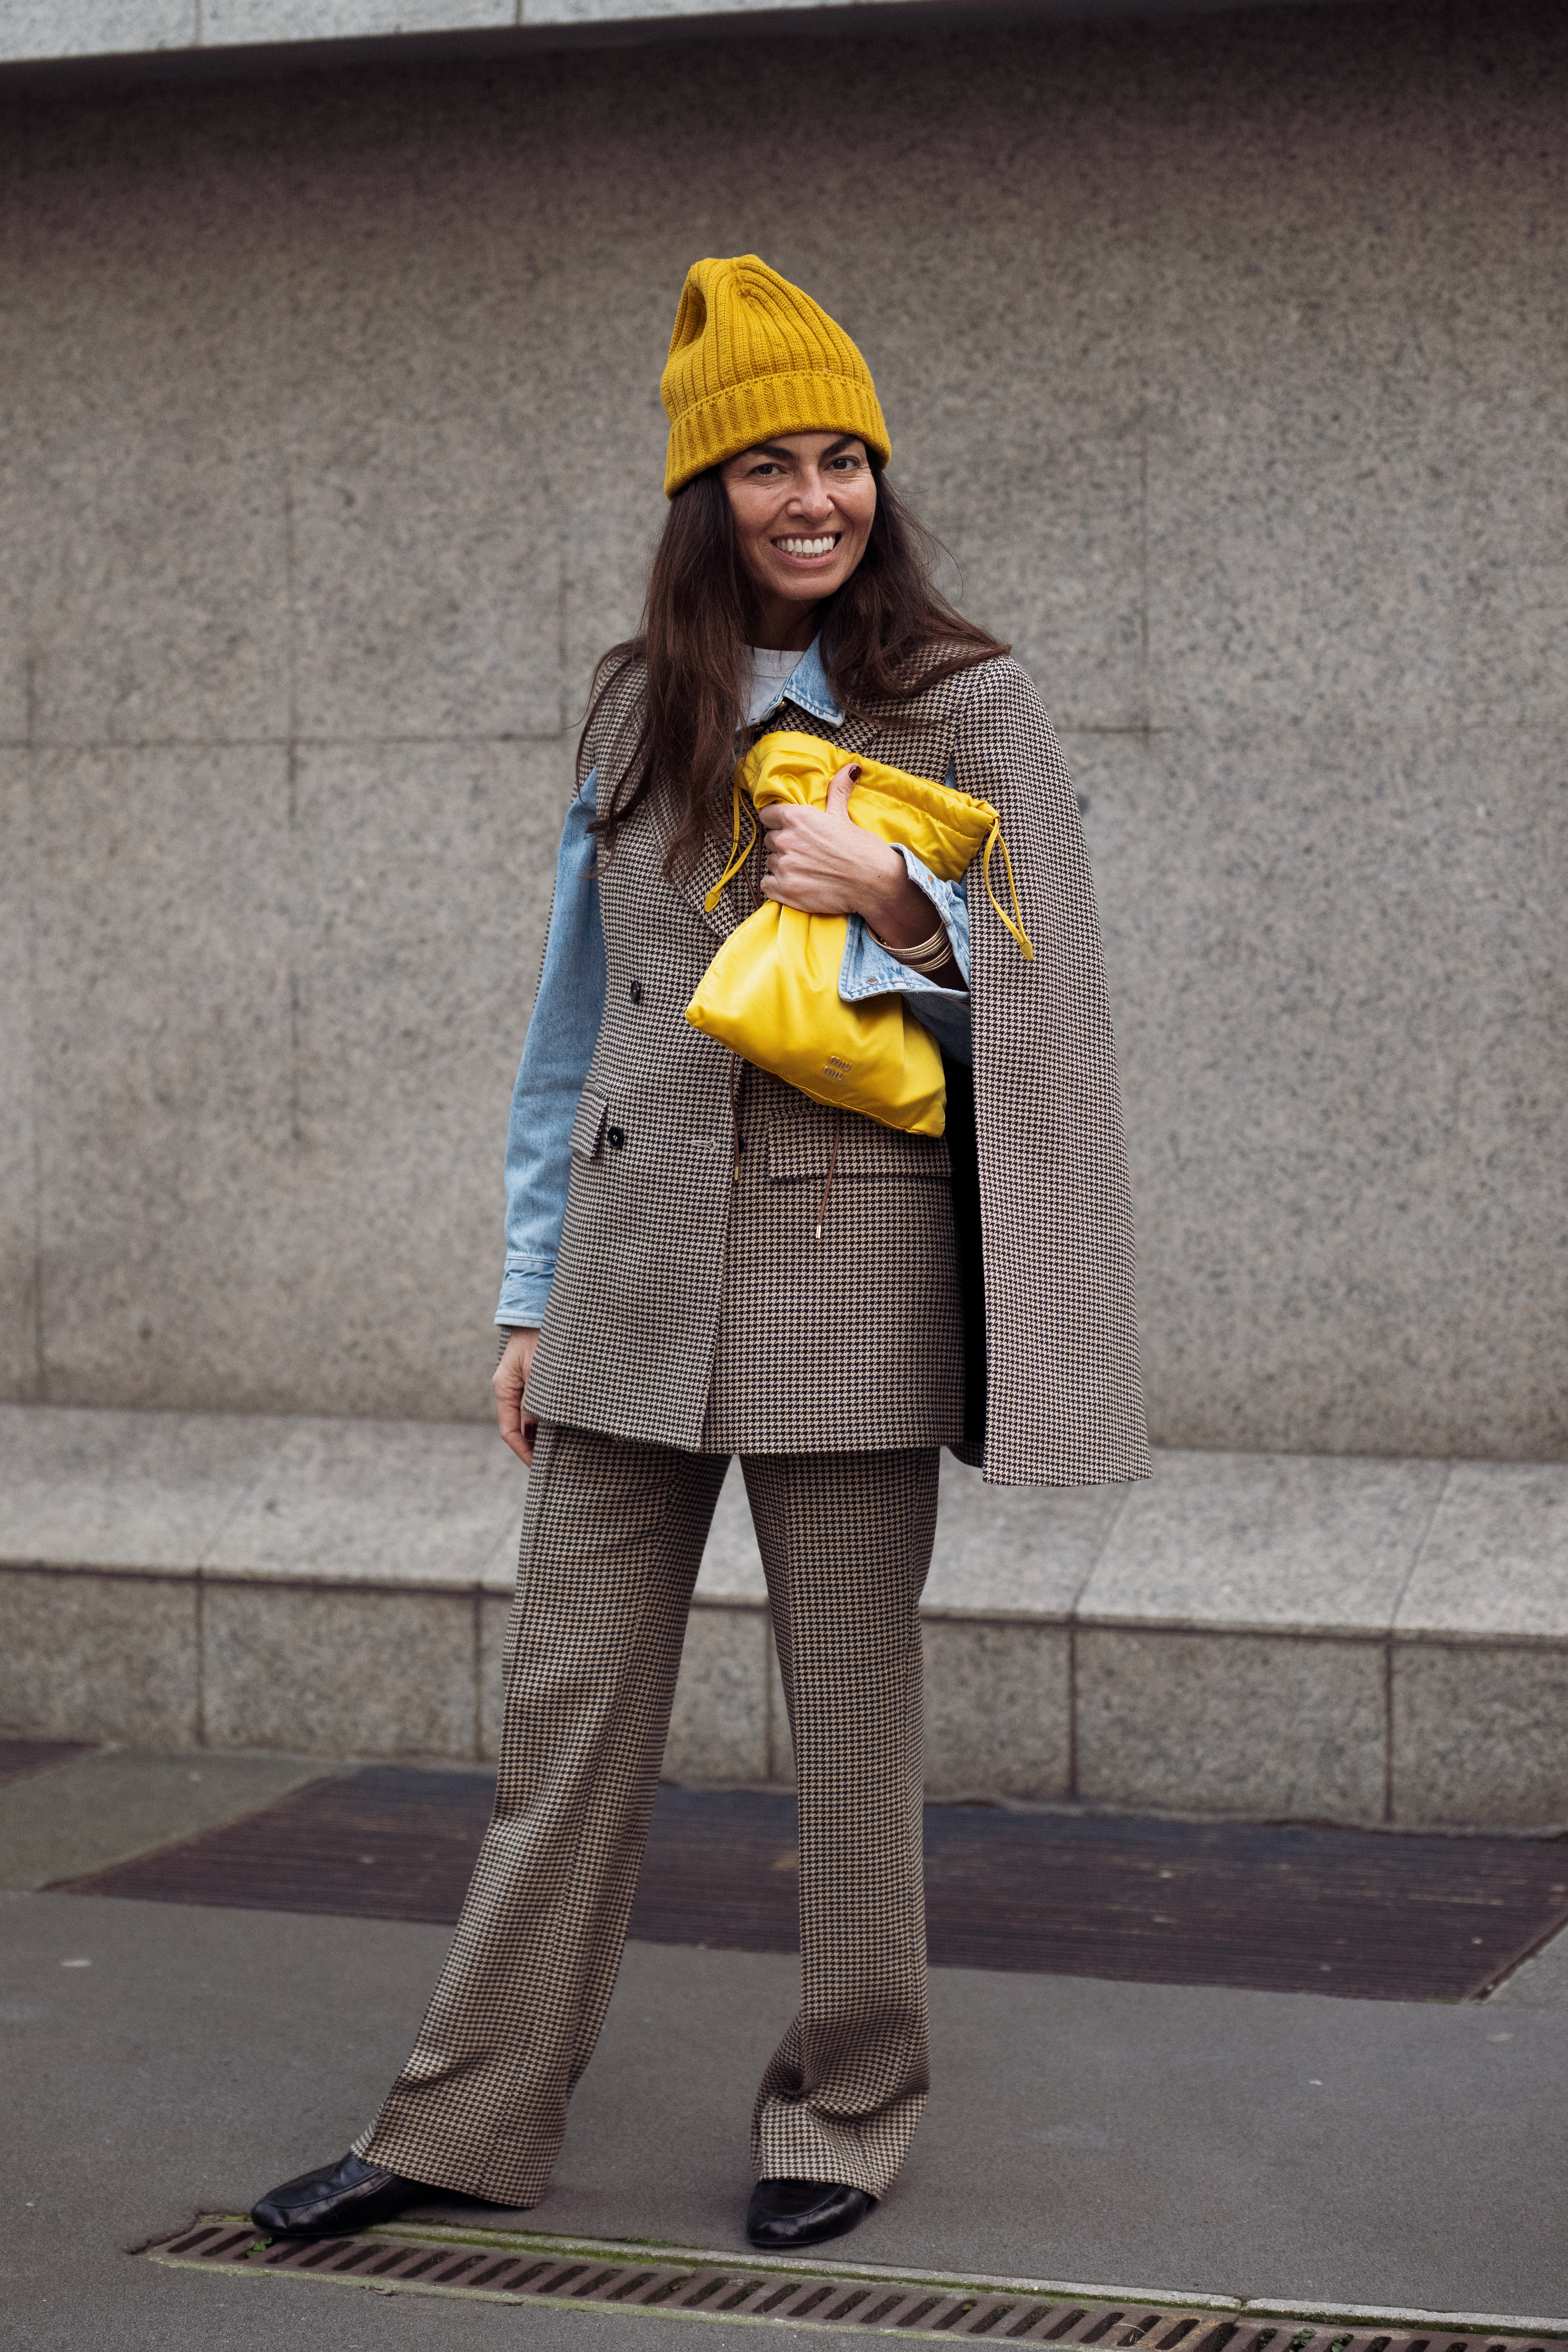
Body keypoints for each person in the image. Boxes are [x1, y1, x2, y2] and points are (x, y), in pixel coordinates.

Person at [253, 254, 1147, 2255]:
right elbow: (568, 1019)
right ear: (703, 492)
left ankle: (842, 2109)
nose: (815, 497)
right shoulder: (635, 696)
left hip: (856, 1272)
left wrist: (908, 907)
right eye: (770, 465)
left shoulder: (972, 697)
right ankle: (463, 2116)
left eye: (845, 459)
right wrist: (522, 1285)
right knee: (564, 1716)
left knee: (851, 1724)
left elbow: (1058, 1008)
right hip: (634, 1272)